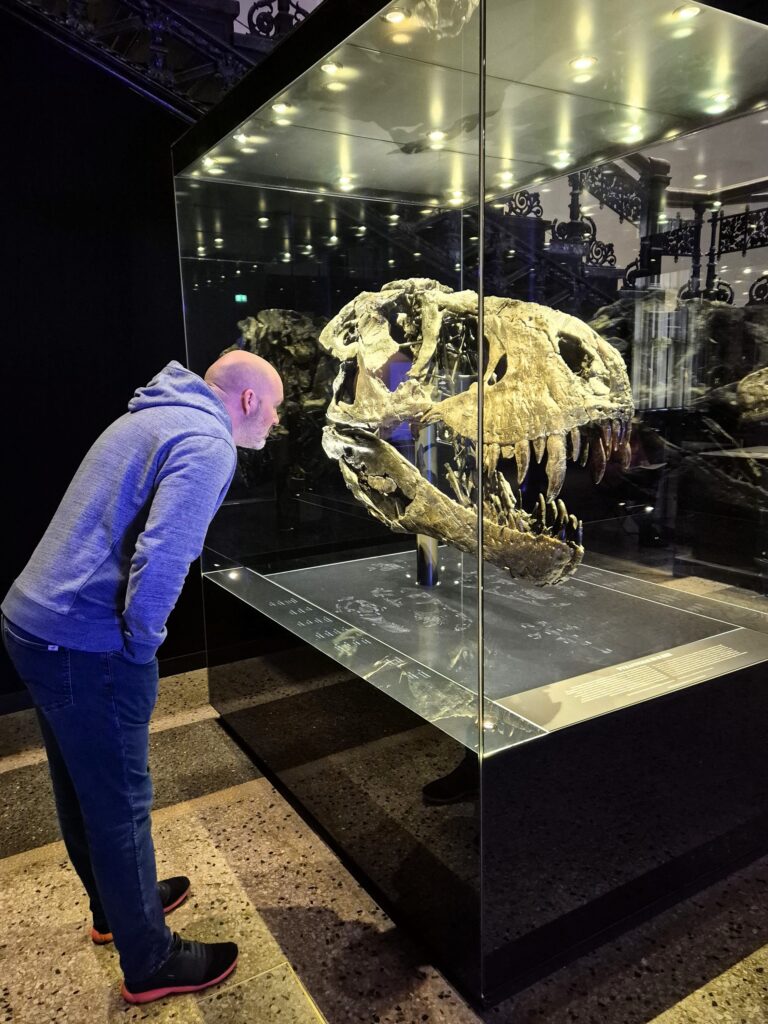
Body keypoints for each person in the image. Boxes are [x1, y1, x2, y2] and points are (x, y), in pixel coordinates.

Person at [1, 352, 283, 1005]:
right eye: (274, 406)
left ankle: (115, 907)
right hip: (82, 640)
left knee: (80, 782)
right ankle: (150, 960)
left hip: (31, 623)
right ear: (245, 402)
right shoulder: (209, 441)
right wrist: (140, 648)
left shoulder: (153, 415)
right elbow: (162, 559)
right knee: (121, 802)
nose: (276, 420)